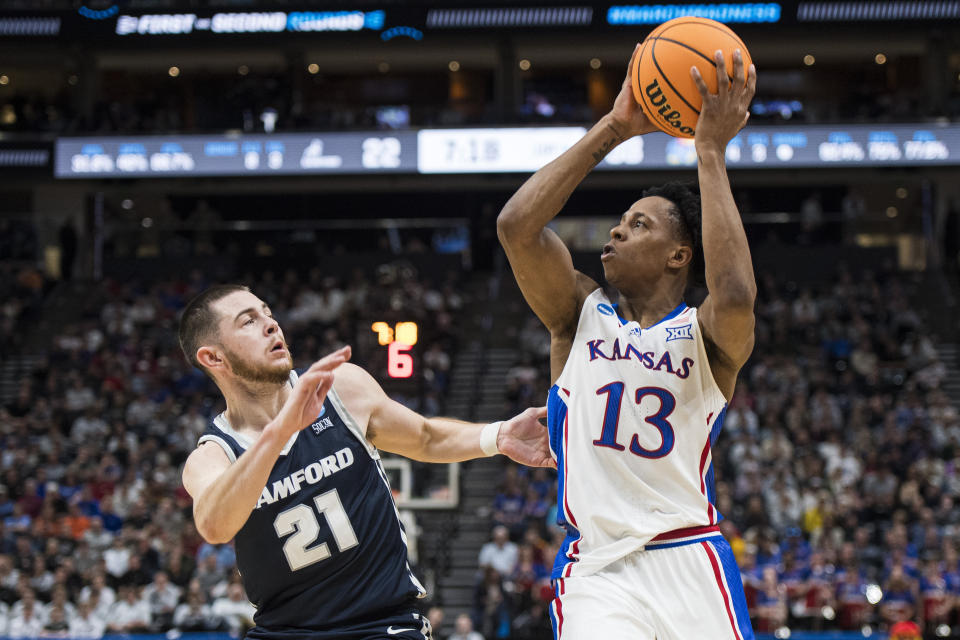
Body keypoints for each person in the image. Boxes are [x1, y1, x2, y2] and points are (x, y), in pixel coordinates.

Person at [497, 44, 757, 639]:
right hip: (597, 568)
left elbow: (737, 294)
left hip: (690, 555)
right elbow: (516, 227)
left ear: (678, 255)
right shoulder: (578, 315)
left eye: (639, 224)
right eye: (622, 218)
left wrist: (709, 152)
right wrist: (614, 127)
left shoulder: (707, 338)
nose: (617, 228)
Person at [179, 284, 553, 640]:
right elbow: (214, 525)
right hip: (283, 630)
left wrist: (498, 436)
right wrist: (279, 431)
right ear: (214, 358)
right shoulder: (212, 455)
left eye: (268, 313)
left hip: (381, 623)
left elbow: (425, 436)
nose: (271, 324)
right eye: (248, 321)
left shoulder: (340, 388)